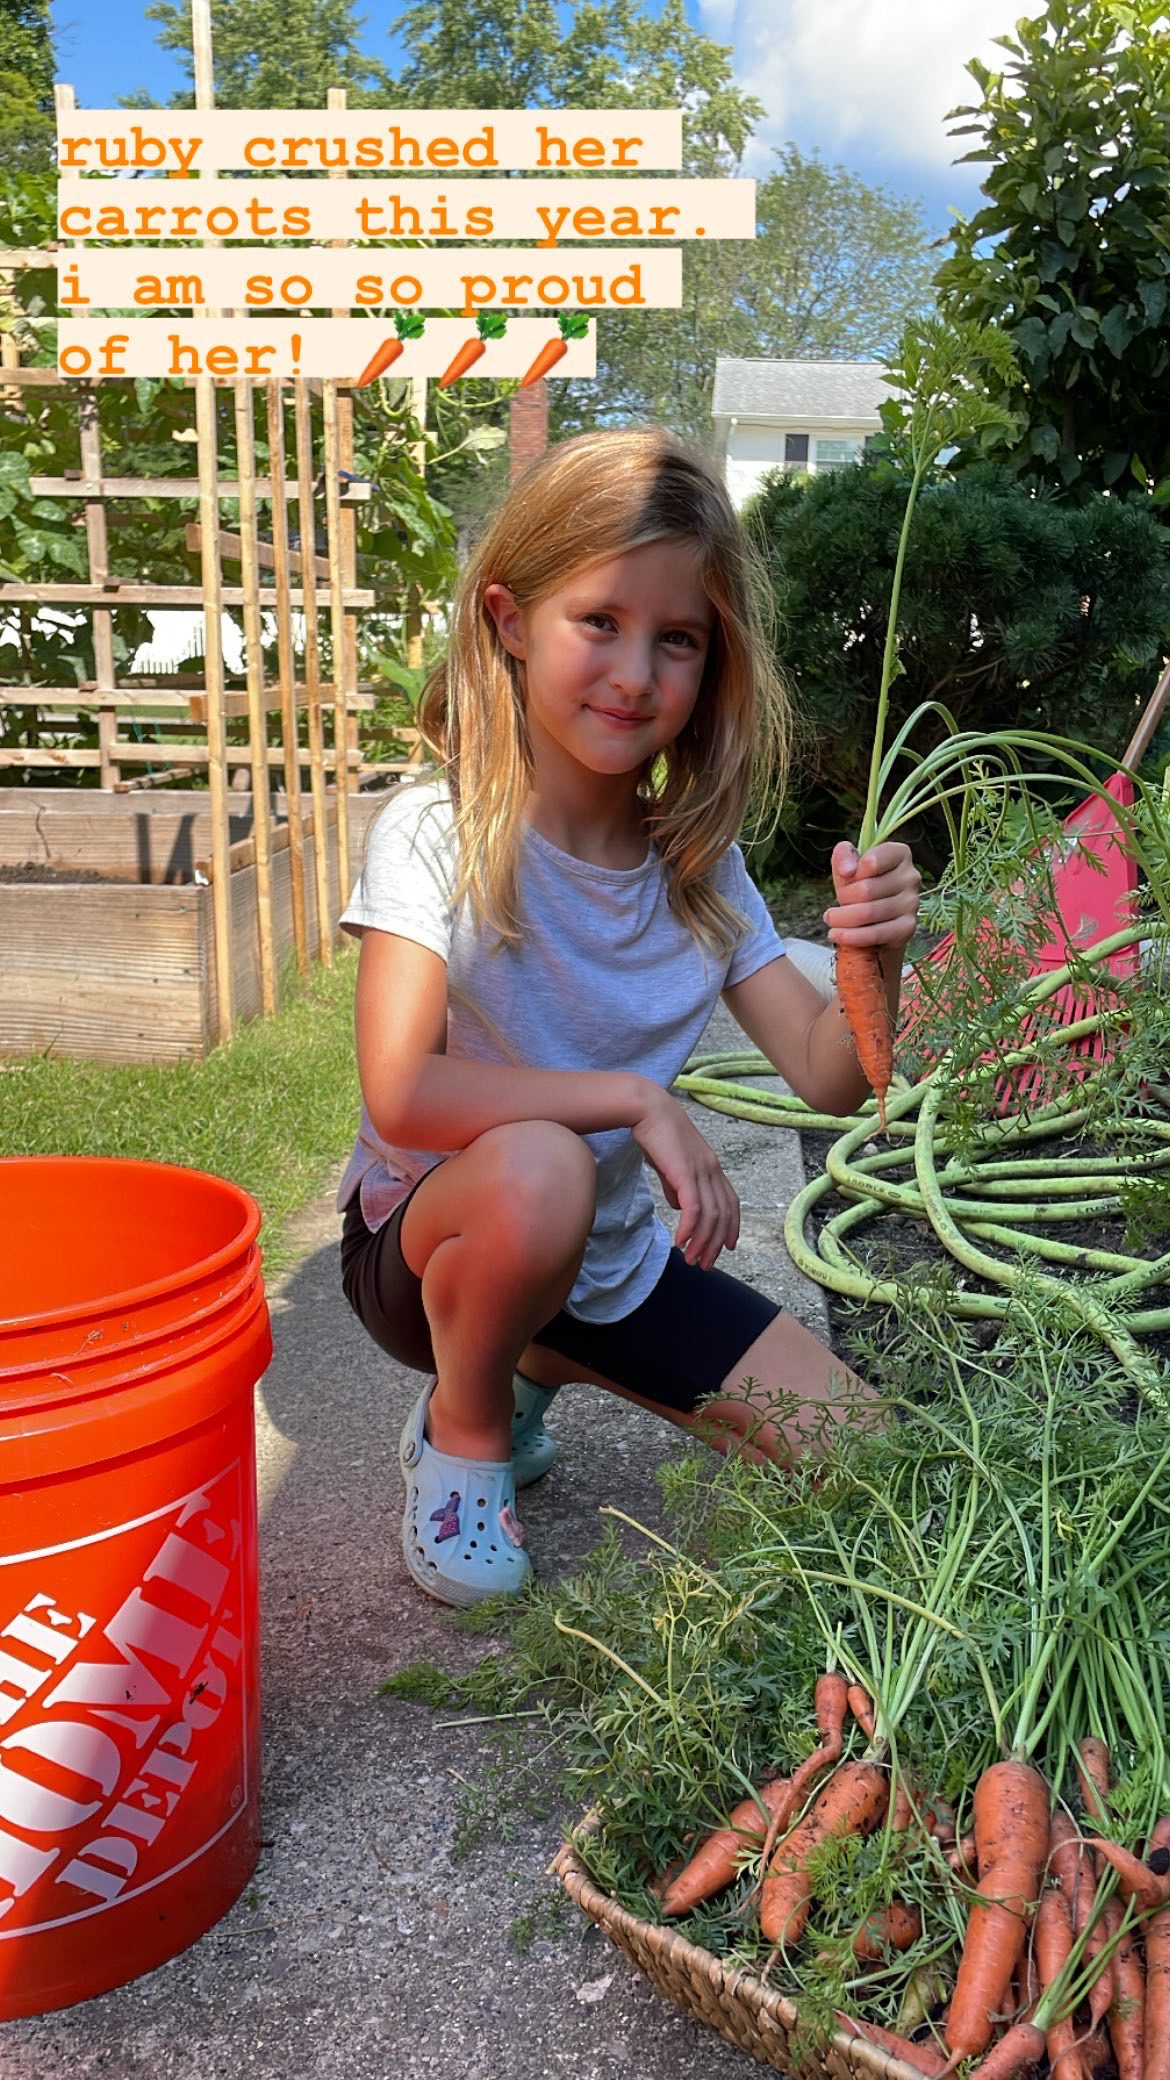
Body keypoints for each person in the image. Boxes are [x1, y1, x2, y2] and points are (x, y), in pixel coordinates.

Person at [337, 425, 921, 1609]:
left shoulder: (702, 871)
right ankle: (462, 1428)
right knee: (544, 1172)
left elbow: (827, 1076)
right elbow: (402, 1091)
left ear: (715, 664)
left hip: (612, 1266)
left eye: (679, 641)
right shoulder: (436, 833)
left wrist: (876, 963)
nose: (636, 674)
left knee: (876, 1458)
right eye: (598, 621)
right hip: (426, 1248)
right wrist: (631, 1096)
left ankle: (540, 1356)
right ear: (509, 620)